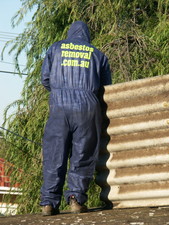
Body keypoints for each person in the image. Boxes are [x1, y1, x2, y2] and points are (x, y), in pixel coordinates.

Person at [40, 21, 112, 216]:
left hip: (59, 107)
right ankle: (76, 199)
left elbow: (45, 78)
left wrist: (60, 93)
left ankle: (49, 202)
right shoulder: (97, 54)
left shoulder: (55, 48)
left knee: (55, 154)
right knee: (83, 153)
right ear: (87, 36)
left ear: (70, 34)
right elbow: (106, 87)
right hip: (87, 107)